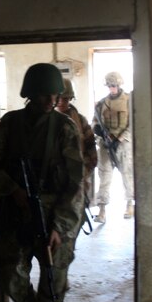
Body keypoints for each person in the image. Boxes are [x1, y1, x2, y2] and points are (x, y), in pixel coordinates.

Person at [0, 63, 83, 302]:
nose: (49, 100)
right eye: (42, 95)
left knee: (54, 280)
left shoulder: (66, 128)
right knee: (11, 275)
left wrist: (60, 227)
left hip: (54, 214)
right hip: (18, 211)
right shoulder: (10, 124)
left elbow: (76, 184)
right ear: (30, 94)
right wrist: (13, 190)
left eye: (53, 94)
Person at [92, 70, 134, 223]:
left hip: (123, 144)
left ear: (119, 84)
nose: (112, 89)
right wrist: (98, 132)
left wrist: (121, 138)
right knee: (104, 176)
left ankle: (130, 204)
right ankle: (102, 210)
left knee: (127, 175)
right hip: (106, 143)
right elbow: (95, 122)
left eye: (114, 85)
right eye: (110, 86)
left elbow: (133, 123)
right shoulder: (102, 103)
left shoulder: (129, 100)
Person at [55, 78, 97, 214]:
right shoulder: (47, 122)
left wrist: (82, 173)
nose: (62, 102)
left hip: (77, 180)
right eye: (59, 98)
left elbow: (91, 152)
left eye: (66, 99)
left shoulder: (80, 121)